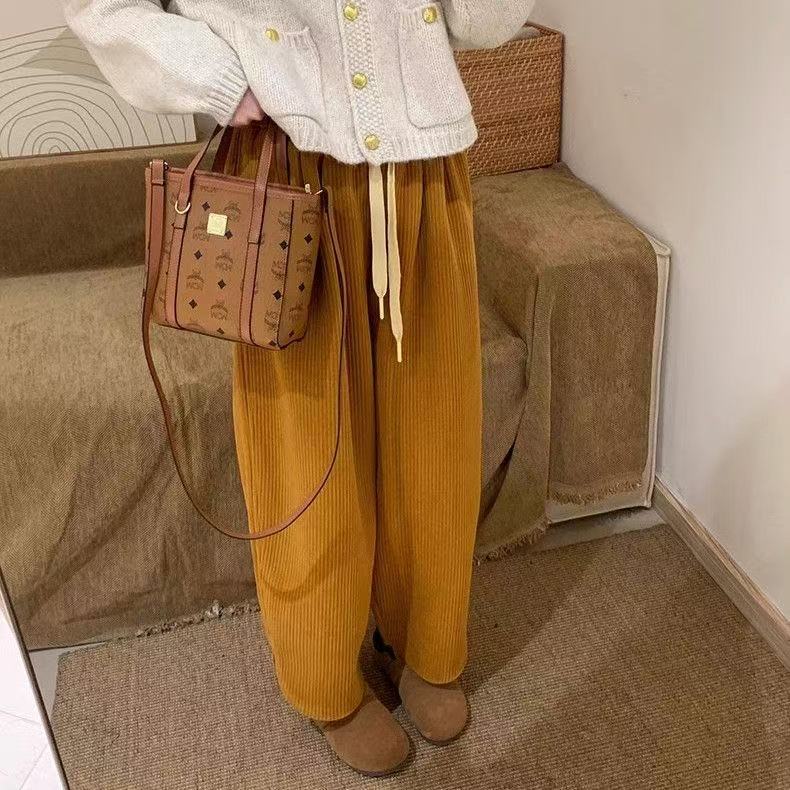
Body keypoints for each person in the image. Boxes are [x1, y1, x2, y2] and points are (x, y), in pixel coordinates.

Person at [63, 0, 535, 777]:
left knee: (436, 430)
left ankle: (427, 638)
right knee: (306, 442)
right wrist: (217, 75)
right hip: (284, 172)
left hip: (422, 163)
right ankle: (325, 679)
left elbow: (481, 22)